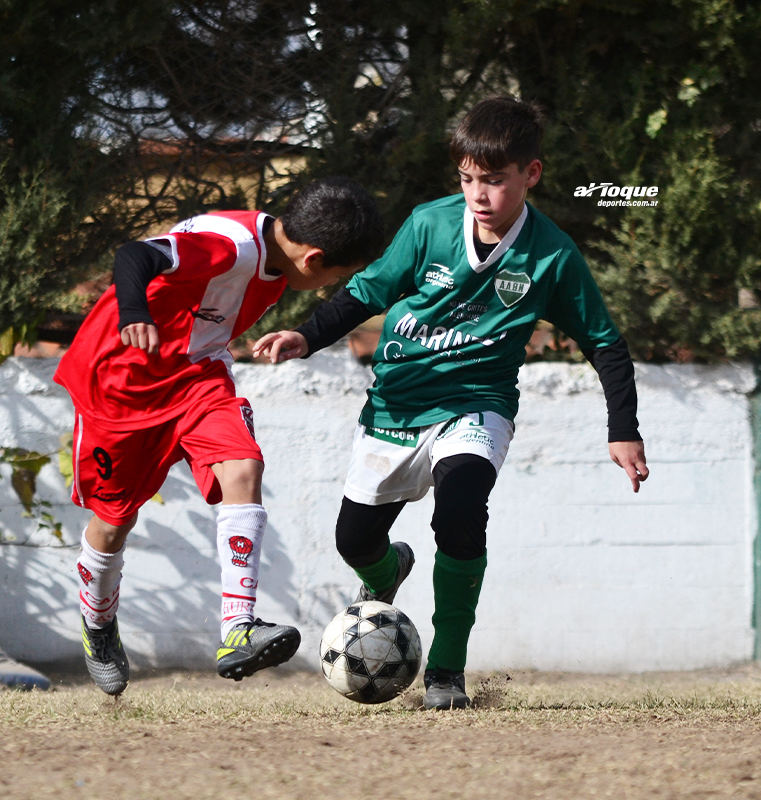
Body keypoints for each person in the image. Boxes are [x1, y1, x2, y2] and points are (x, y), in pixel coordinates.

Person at [253, 97, 649, 710]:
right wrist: (307, 334)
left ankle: (446, 670)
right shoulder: (429, 224)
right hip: (395, 405)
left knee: (462, 506)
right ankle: (387, 572)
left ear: (530, 175)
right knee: (354, 541)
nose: (478, 194)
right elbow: (367, 290)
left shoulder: (552, 255)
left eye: (493, 180)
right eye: (468, 179)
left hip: (478, 403)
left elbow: (604, 342)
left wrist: (623, 428)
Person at [55, 177, 384, 695]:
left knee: (243, 466)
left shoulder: (278, 252)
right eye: (334, 278)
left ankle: (237, 630)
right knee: (113, 523)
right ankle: (98, 624)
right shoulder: (230, 246)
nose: (325, 289)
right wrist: (136, 313)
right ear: (313, 258)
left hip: (197, 378)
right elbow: (134, 255)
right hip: (118, 386)